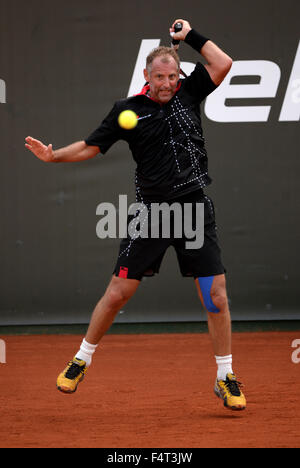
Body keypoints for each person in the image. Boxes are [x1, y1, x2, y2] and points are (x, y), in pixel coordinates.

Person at [25, 19, 246, 411]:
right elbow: (92, 146)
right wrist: (54, 155)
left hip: (194, 208)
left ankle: (225, 376)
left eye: (172, 76)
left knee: (215, 297)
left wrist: (189, 38)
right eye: (159, 76)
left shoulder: (189, 92)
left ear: (180, 75)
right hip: (152, 214)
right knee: (117, 294)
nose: (166, 83)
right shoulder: (127, 111)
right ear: (147, 75)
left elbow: (224, 63)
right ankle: (82, 359)